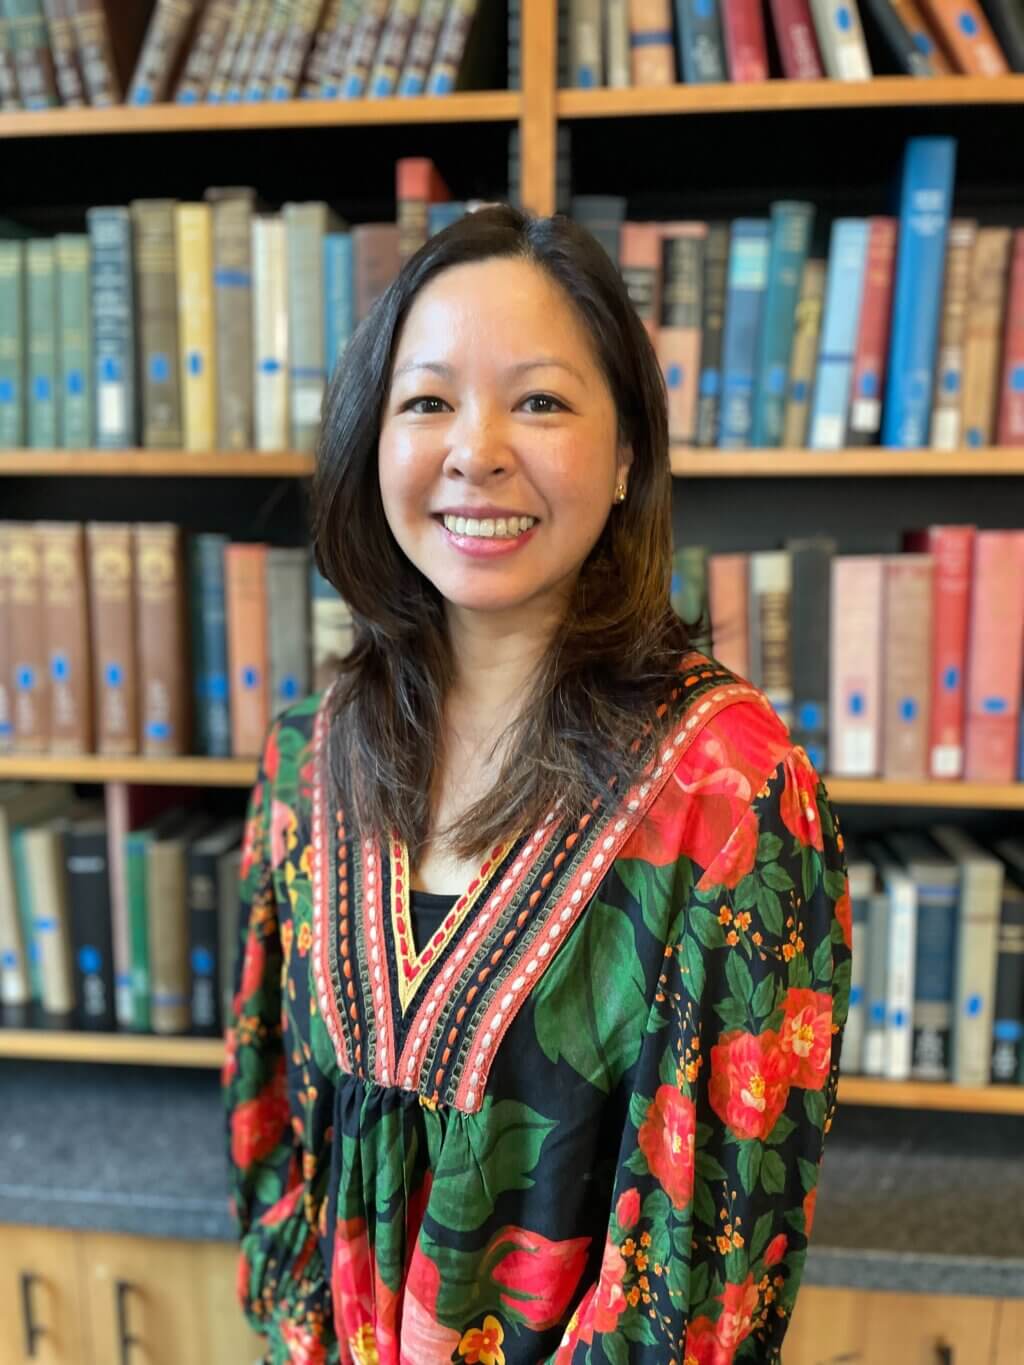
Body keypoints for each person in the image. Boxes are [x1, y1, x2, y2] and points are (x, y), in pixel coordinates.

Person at [224, 204, 851, 1365]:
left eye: (541, 400)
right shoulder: (309, 752)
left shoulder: (730, 796)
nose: (476, 449)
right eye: (427, 401)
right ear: (373, 440)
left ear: (624, 458)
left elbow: (702, 1282)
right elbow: (272, 1131)